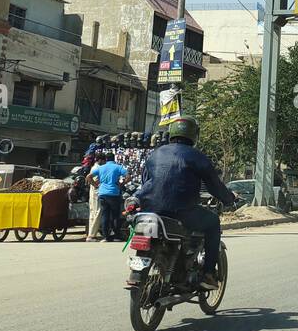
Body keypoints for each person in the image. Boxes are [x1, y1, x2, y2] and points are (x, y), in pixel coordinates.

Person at [137, 116, 235, 287]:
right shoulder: (197, 157)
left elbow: (145, 181)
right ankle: (208, 274)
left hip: (150, 210)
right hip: (182, 211)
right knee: (213, 222)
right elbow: (215, 186)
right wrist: (229, 199)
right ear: (194, 135)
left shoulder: (155, 154)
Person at [90, 150, 127, 243]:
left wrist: (95, 185)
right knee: (115, 215)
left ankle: (105, 237)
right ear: (114, 159)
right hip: (114, 194)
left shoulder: (101, 168)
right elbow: (128, 176)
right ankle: (116, 236)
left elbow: (88, 176)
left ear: (106, 159)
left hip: (102, 194)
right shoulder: (118, 167)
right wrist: (121, 184)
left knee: (105, 215)